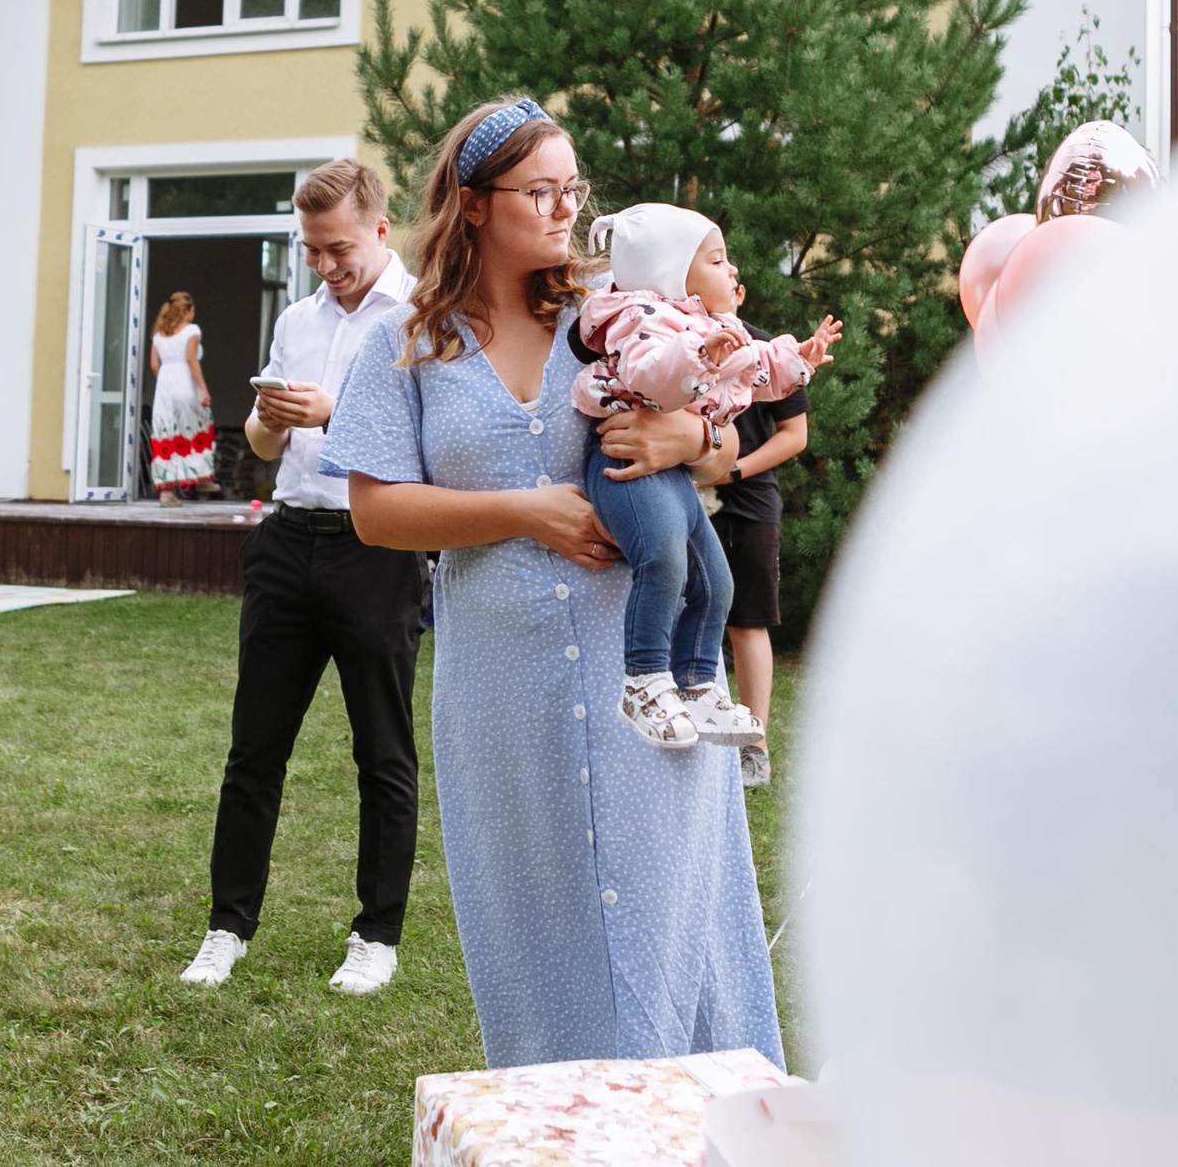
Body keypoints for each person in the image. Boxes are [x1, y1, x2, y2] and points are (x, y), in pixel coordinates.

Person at [323, 96, 785, 1068]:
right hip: (506, 697)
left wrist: (687, 436)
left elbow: (726, 424)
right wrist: (526, 511)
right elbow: (376, 510)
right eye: (541, 190)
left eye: (572, 188)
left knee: (671, 938)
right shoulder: (408, 339)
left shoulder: (609, 308)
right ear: (474, 202)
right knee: (538, 946)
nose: (566, 207)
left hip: (643, 693)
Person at [180, 160, 423, 997]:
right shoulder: (295, 319)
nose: (326, 264)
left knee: (381, 753)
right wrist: (267, 418)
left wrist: (336, 414)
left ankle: (377, 934)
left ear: (381, 230)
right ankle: (226, 925)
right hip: (286, 540)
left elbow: (428, 451)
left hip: (376, 550)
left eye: (340, 248)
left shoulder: (426, 317)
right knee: (254, 751)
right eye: (313, 250)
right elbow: (259, 446)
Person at [570, 204, 838, 750]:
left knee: (717, 580)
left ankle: (696, 685)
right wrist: (698, 353)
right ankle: (644, 680)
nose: (731, 270)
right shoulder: (641, 316)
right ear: (672, 275)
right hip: (626, 466)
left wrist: (798, 361)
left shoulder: (712, 328)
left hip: (671, 471)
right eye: (717, 260)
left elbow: (756, 370)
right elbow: (651, 375)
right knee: (663, 561)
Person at [709, 276, 811, 790]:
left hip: (748, 503)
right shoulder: (673, 345)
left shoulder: (770, 352)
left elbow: (795, 437)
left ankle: (754, 748)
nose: (721, 281)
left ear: (743, 294)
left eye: (731, 274)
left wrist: (732, 472)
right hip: (687, 501)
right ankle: (699, 738)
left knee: (746, 624)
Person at [148, 292, 215, 501]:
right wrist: (203, 390)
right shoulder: (191, 331)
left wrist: (165, 381)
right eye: (193, 309)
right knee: (197, 426)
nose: (194, 313)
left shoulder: (158, 335)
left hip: (164, 386)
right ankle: (201, 478)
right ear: (186, 311)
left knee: (166, 431)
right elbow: (191, 359)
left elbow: (154, 365)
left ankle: (166, 491)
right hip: (185, 382)